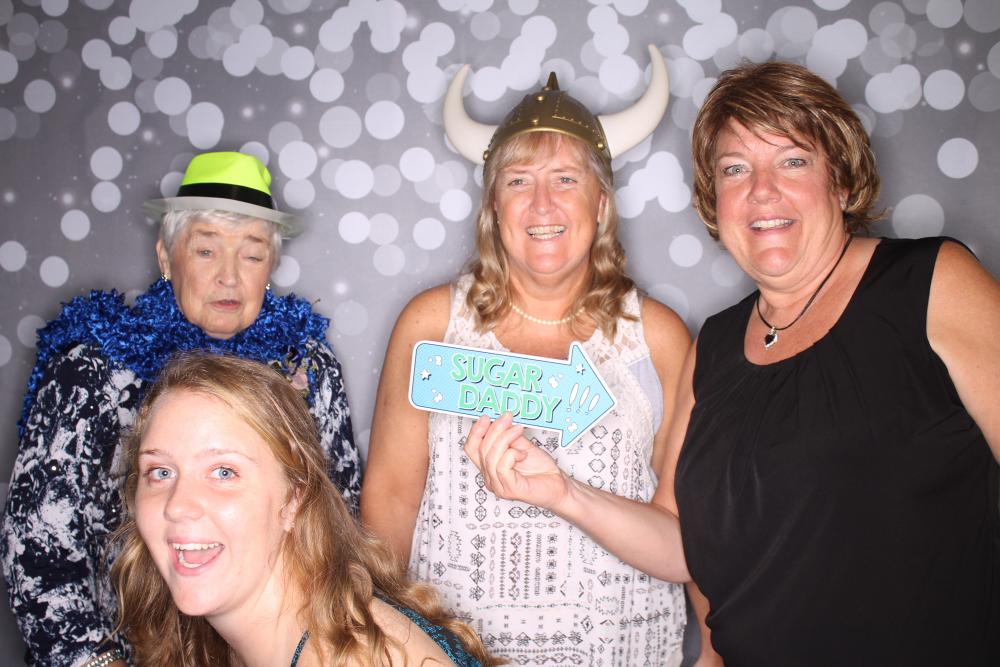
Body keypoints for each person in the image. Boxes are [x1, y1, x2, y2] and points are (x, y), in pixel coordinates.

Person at [463, 60, 1000, 666]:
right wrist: (561, 492)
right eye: (735, 169)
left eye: (792, 161)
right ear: (715, 200)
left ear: (843, 183)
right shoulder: (716, 344)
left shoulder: (933, 285)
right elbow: (681, 545)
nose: (761, 191)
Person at [362, 46, 692, 666]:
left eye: (566, 179)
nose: (542, 205)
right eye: (519, 181)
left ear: (601, 204)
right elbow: (391, 501)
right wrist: (379, 644)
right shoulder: (431, 325)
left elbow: (690, 524)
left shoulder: (659, 337)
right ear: (494, 206)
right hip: (455, 653)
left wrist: (716, 650)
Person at [1, 151, 361, 667]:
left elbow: (338, 517)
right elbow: (37, 548)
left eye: (252, 254)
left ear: (272, 265)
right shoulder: (94, 368)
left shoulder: (306, 366)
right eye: (206, 251)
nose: (229, 277)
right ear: (167, 258)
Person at [109, 352, 493, 666]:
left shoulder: (358, 657)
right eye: (160, 472)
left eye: (224, 472)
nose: (178, 505)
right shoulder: (210, 637)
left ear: (294, 499)